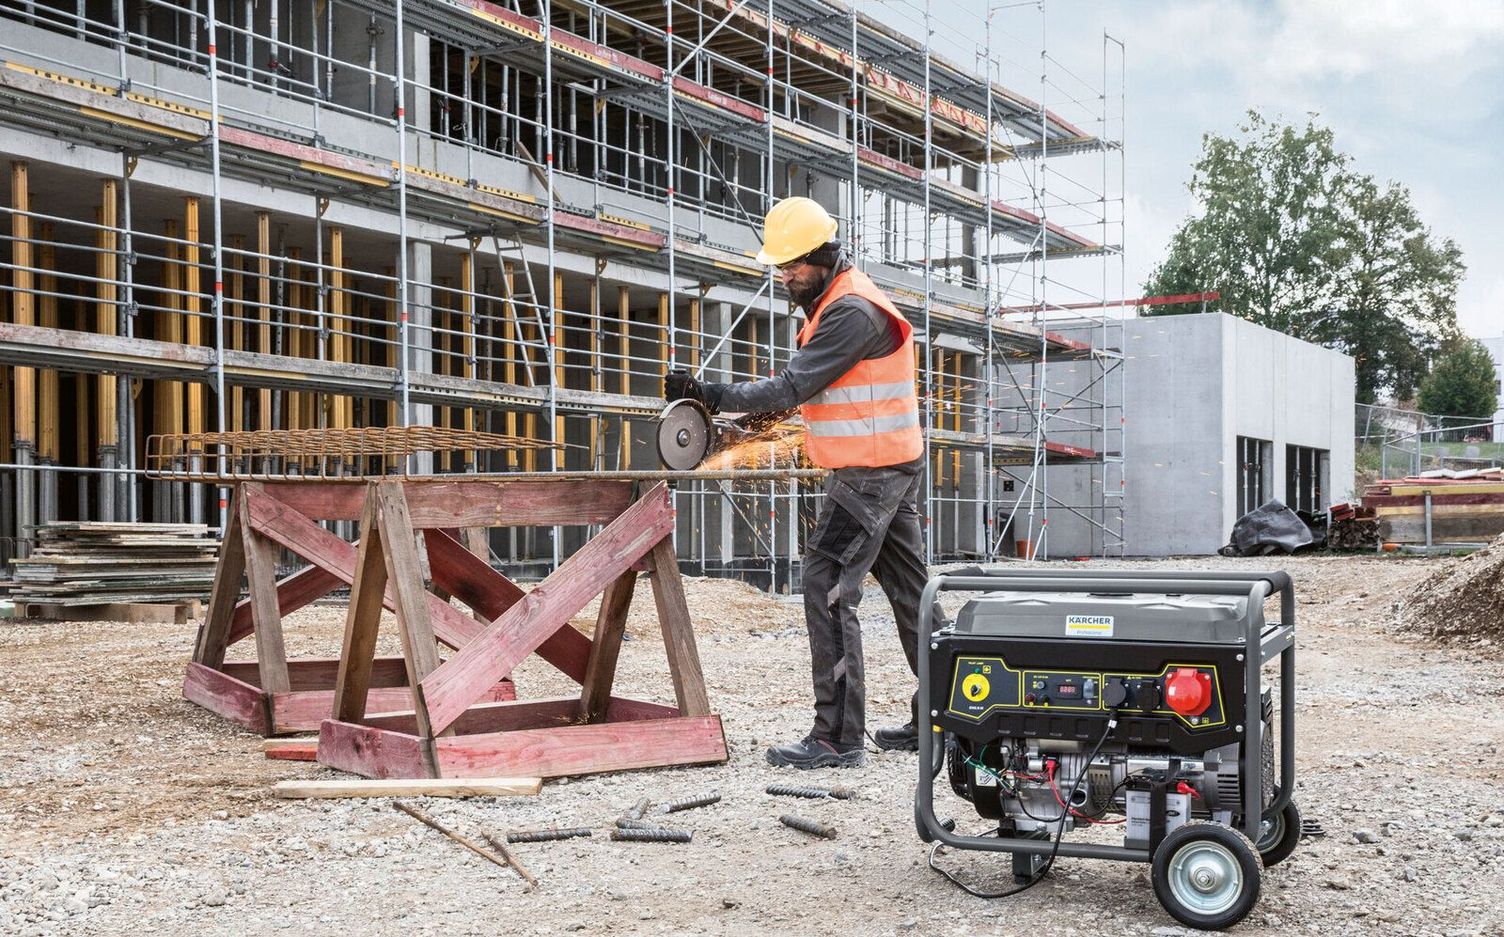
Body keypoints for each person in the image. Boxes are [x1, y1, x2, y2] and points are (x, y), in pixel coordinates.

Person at [665, 196, 929, 769]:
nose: (784, 277)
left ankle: (836, 738)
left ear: (823, 255)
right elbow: (807, 399)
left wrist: (713, 396)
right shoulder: (833, 303)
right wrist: (731, 432)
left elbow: (790, 389)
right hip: (888, 465)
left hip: (871, 472)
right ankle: (947, 715)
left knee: (826, 581)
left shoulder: (851, 313)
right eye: (779, 267)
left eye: (792, 266)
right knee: (913, 593)